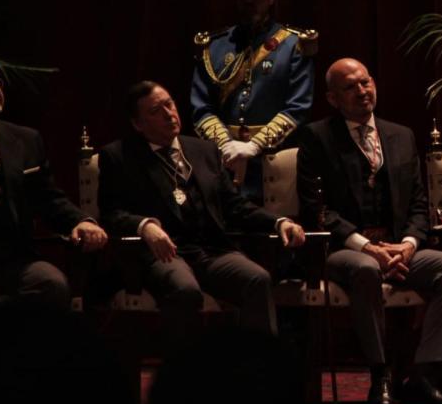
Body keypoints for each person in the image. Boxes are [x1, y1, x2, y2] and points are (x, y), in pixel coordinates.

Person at [297, 58, 442, 404]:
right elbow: (317, 210)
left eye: (365, 82)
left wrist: (407, 245)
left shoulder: (401, 135)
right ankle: (381, 375)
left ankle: (422, 375)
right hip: (343, 249)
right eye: (350, 87)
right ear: (332, 98)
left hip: (396, 245)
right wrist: (367, 248)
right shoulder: (317, 137)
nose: (362, 91)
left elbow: (419, 204)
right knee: (365, 269)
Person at [98, 80, 305, 343]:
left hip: (211, 251)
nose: (169, 114)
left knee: (257, 279)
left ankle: (259, 364)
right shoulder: (119, 156)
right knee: (185, 290)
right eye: (156, 111)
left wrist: (279, 222)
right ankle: (188, 367)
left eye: (169, 104)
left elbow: (235, 205)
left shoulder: (203, 150)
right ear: (138, 124)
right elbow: (111, 213)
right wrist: (145, 226)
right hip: (165, 255)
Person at [0, 54, 107, 329]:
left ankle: (28, 355)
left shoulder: (24, 138)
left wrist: (81, 221)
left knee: (52, 284)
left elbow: (49, 198)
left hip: (17, 257)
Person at [191, 0, 316, 199]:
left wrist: (254, 146)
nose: (249, 2)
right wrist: (226, 145)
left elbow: (298, 107)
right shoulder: (213, 46)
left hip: (275, 164)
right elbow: (201, 108)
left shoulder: (293, 44)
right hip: (224, 162)